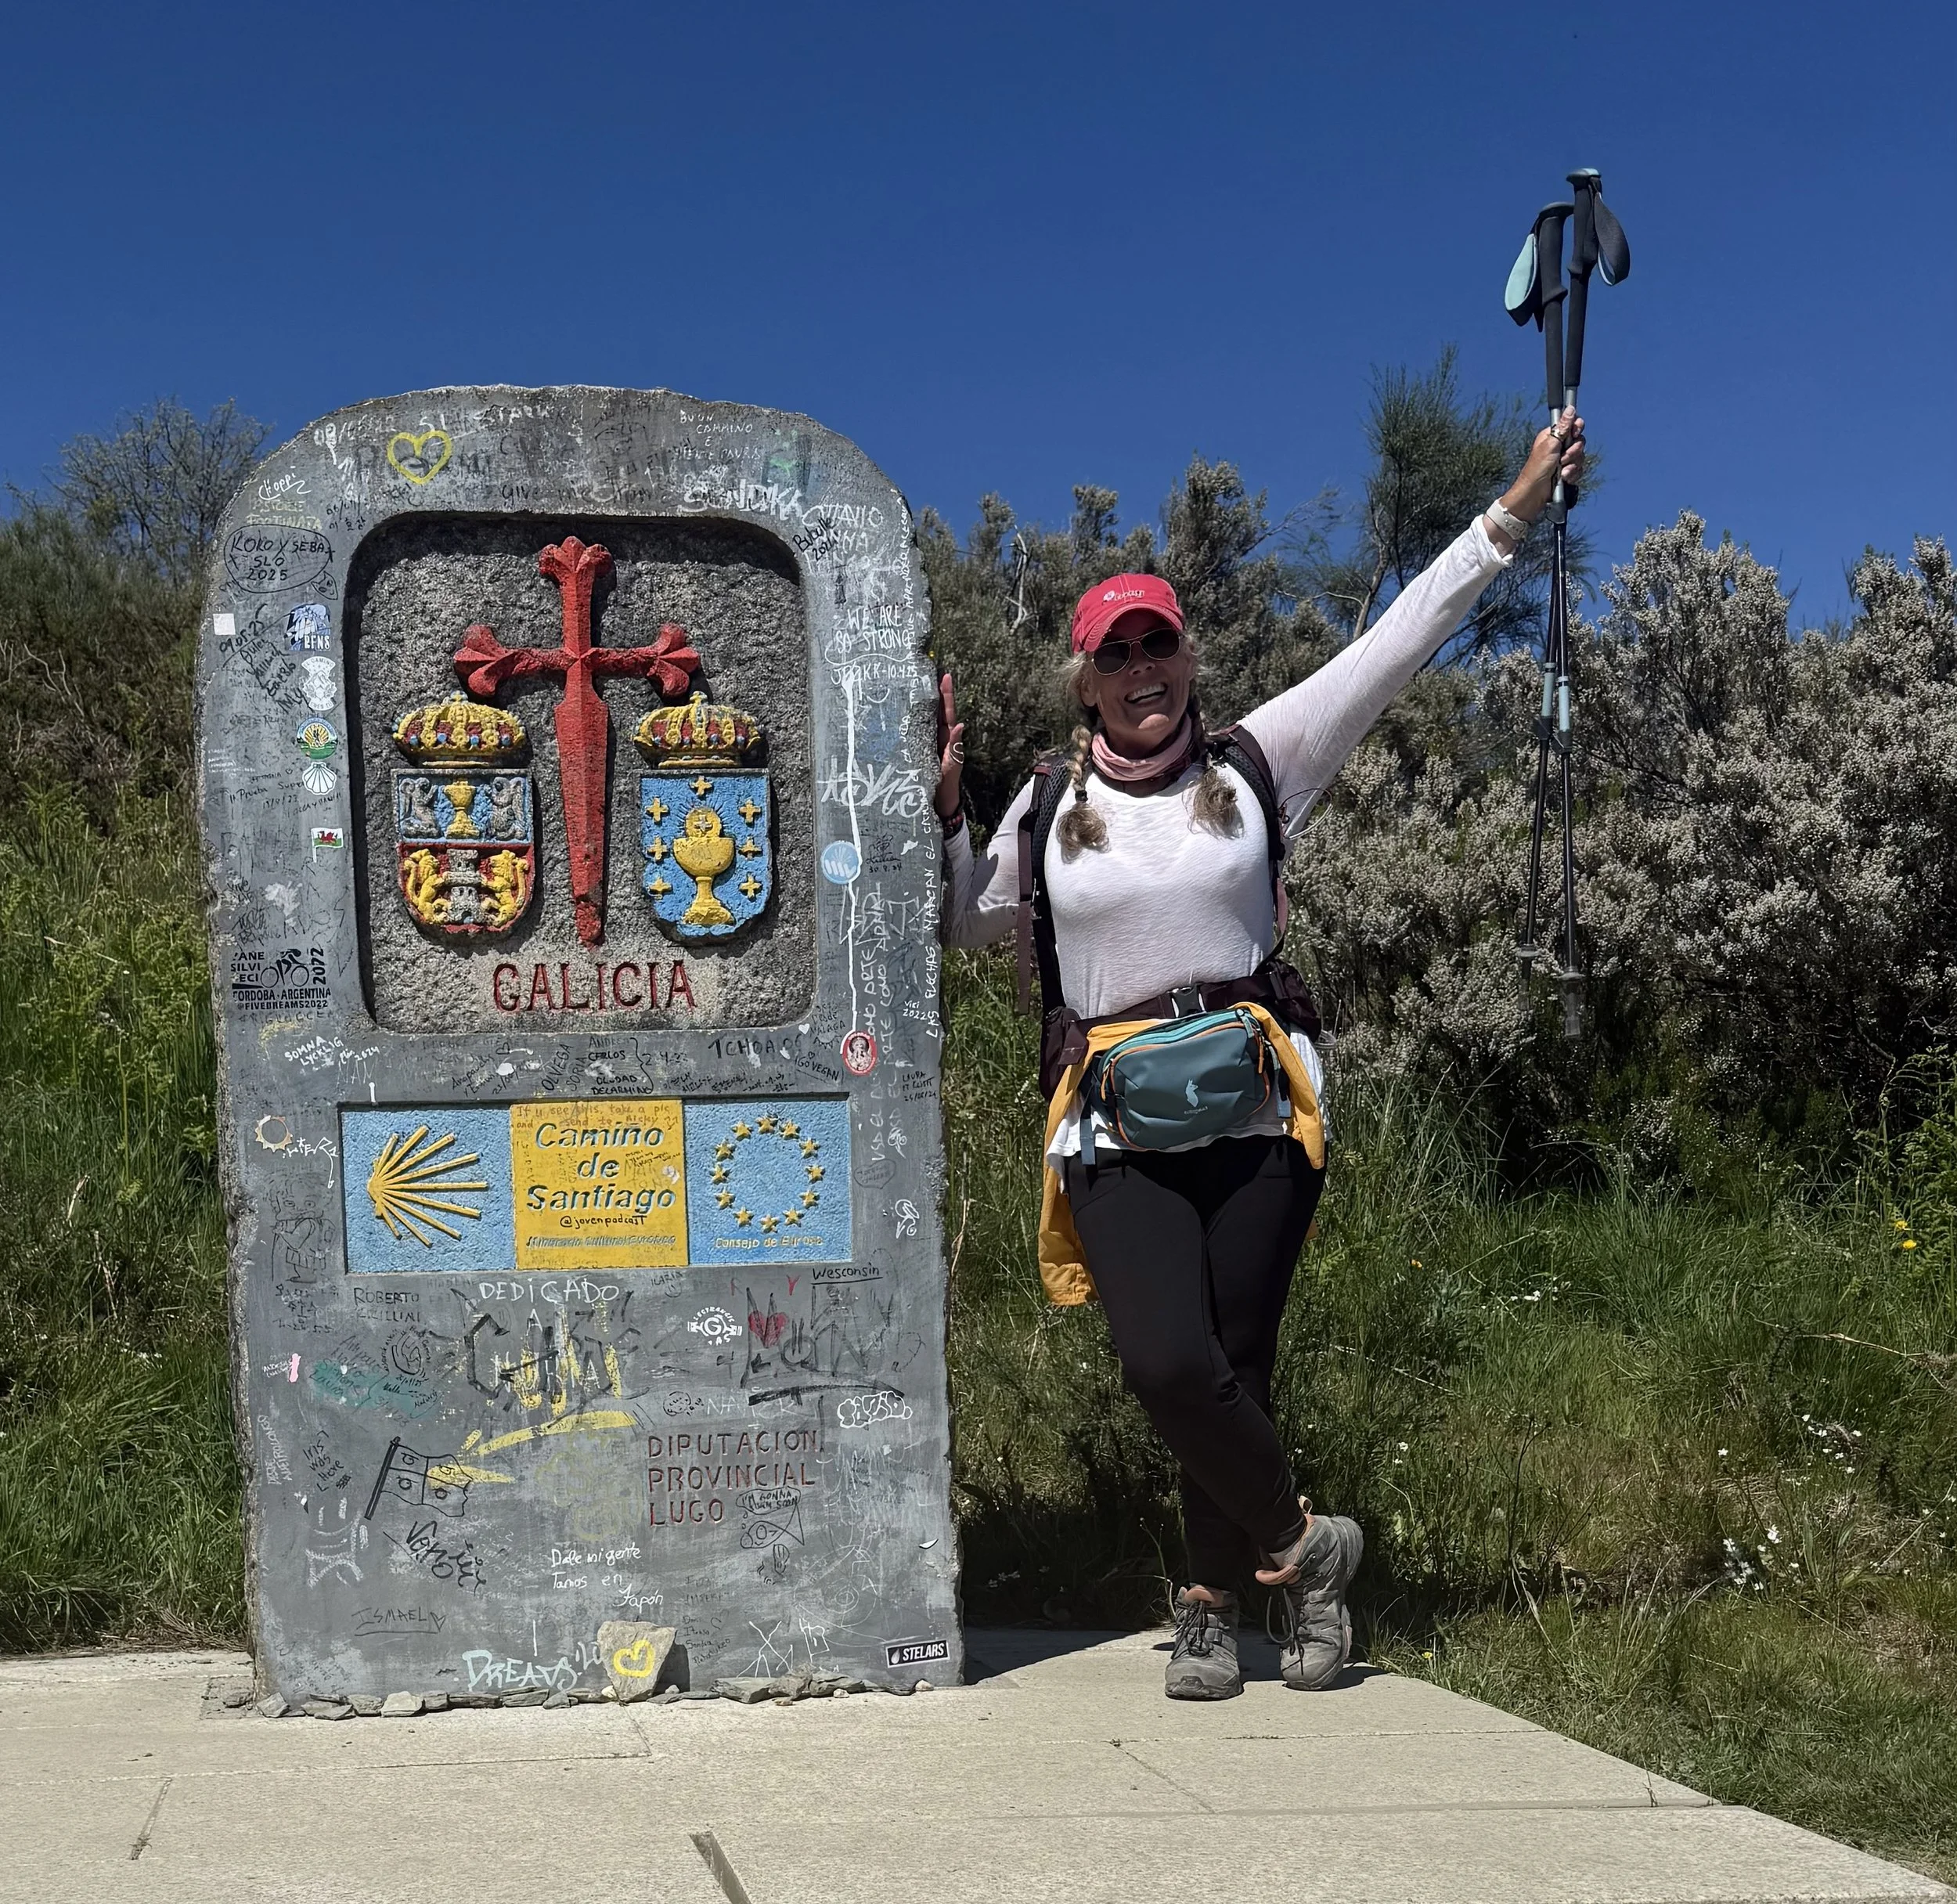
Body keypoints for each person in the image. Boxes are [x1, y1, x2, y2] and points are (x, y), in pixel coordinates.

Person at [936, 410, 1587, 1700]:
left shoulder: (1256, 758)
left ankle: (1217, 1608)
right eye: (1115, 653)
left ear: (1187, 655)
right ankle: (1306, 1547)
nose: (1142, 669)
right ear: (1082, 680)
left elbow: (1399, 644)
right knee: (1166, 1364)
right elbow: (969, 923)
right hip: (1114, 1120)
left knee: (1239, 1363)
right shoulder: (1047, 804)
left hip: (1258, 1108)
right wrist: (950, 813)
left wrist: (1510, 515)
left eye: (1158, 643)